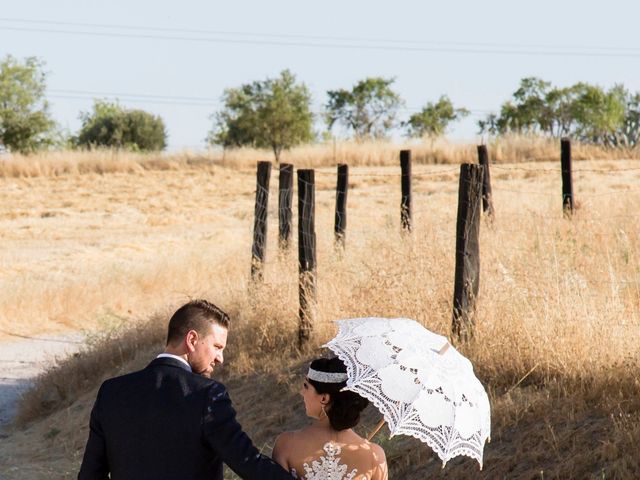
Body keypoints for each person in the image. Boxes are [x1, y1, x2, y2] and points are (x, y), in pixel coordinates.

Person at [78, 299, 293, 480]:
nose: (220, 358)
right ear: (192, 339)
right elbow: (248, 463)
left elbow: (90, 475)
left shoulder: (112, 392)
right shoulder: (207, 395)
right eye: (217, 347)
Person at [273, 357, 388, 480]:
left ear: (324, 399)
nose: (302, 392)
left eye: (306, 386)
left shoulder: (287, 445)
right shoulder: (374, 456)